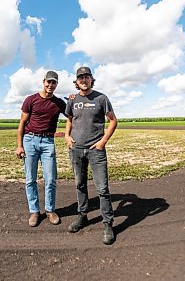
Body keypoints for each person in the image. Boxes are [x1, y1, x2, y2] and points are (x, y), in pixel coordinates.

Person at [64, 66, 118, 245]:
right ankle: (82, 216)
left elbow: (113, 121)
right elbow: (70, 120)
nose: (84, 80)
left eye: (87, 77)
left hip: (96, 150)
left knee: (102, 188)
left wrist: (103, 142)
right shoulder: (72, 100)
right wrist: (66, 136)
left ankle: (107, 223)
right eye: (80, 78)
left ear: (91, 79)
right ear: (76, 81)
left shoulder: (101, 98)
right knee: (80, 184)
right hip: (76, 149)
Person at [16, 71, 66, 227]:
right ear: (43, 81)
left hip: (48, 142)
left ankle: (50, 210)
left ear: (56, 84)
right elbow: (22, 124)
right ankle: (34, 211)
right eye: (48, 82)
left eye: (54, 83)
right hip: (30, 140)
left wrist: (74, 98)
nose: (50, 85)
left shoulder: (59, 103)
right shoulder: (31, 100)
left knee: (50, 178)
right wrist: (19, 146)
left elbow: (72, 115)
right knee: (30, 179)